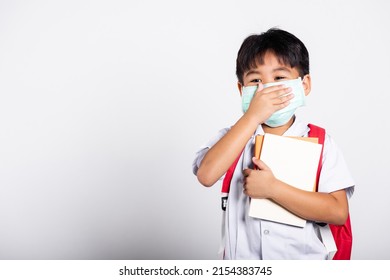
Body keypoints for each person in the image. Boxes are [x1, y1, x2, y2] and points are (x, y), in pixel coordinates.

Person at [192, 28, 355, 259]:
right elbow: (206, 175)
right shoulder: (232, 138)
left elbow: (337, 212)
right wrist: (252, 117)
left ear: (304, 85)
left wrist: (273, 189)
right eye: (256, 80)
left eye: (279, 78)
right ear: (242, 90)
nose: (266, 90)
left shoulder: (321, 142)